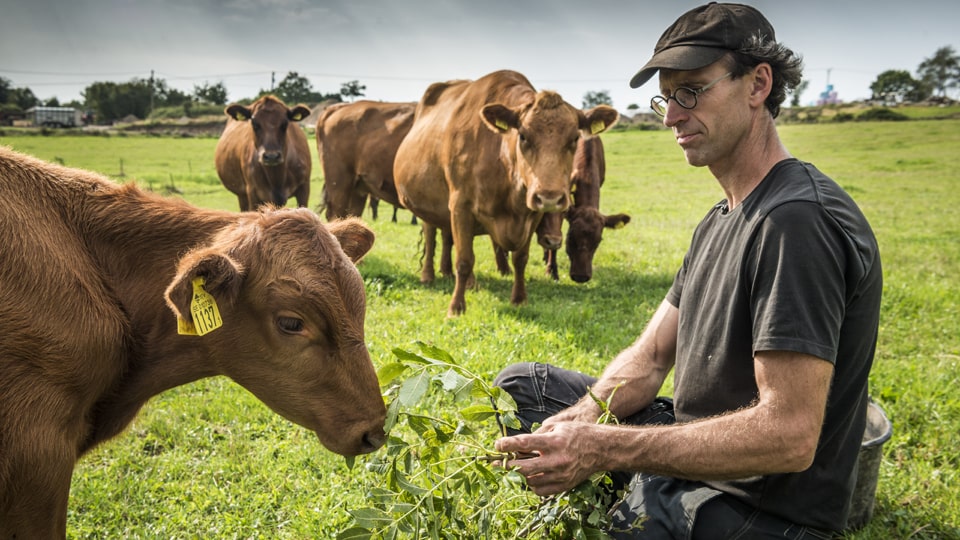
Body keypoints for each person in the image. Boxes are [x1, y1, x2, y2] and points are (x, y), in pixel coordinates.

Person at [493, 3, 883, 538]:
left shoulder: (796, 221)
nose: (673, 116)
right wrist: (585, 418)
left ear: (757, 84)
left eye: (692, 92)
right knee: (523, 388)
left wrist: (606, 447)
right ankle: (634, 485)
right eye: (666, 98)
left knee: (628, 519)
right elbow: (652, 355)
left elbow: (789, 435)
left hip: (762, 506)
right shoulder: (721, 217)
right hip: (695, 442)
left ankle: (638, 495)